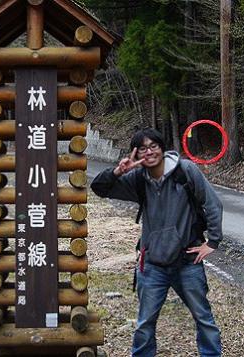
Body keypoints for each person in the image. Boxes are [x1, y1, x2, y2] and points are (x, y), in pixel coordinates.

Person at [91, 128, 223, 357]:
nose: (149, 152)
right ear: (136, 153)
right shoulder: (138, 178)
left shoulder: (185, 171)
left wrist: (213, 242)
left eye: (153, 146)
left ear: (162, 148)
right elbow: (99, 188)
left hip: (187, 261)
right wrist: (117, 171)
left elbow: (212, 203)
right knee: (145, 324)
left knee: (204, 318)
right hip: (152, 264)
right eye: (142, 148)